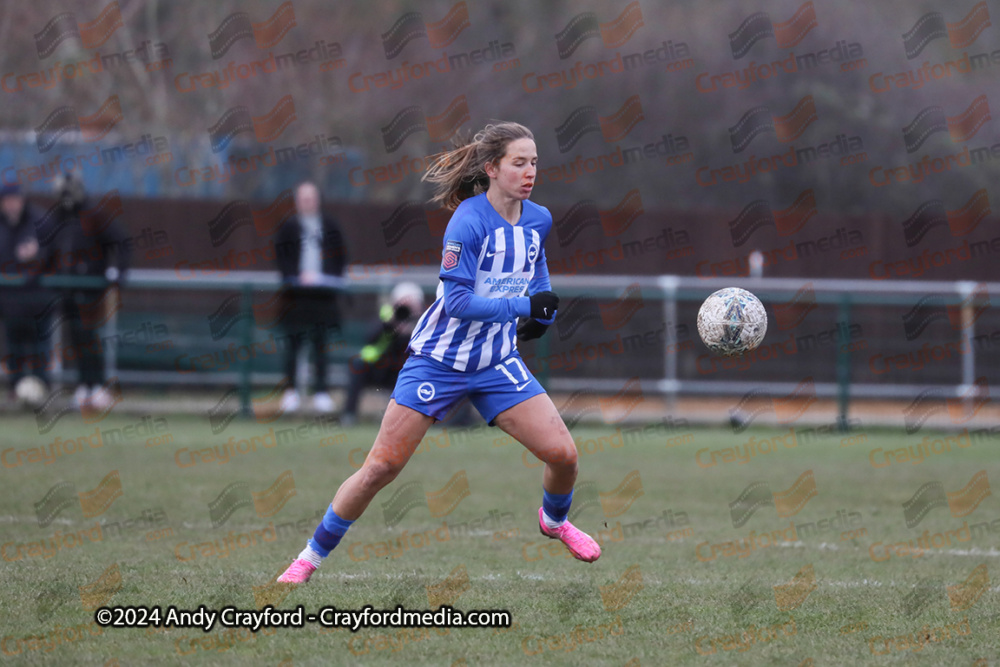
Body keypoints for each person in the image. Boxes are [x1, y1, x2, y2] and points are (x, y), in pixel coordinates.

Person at [276, 122, 600, 584]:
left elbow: (536, 261)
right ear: (491, 168)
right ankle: (307, 559)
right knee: (380, 468)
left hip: (495, 362)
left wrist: (542, 307)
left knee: (564, 456)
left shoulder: (538, 218)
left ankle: (555, 521)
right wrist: (523, 304)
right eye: (519, 163)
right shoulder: (468, 221)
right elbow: (457, 303)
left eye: (534, 163)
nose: (530, 172)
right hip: (439, 361)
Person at [48, 173, 130, 409]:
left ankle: (97, 386)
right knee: (75, 339)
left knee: (89, 337)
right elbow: (49, 250)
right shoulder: (58, 218)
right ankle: (84, 385)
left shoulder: (94, 215)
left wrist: (116, 272)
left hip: (90, 288)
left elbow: (122, 242)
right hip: (66, 290)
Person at [274, 181, 348, 414]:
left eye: (311, 197)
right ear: (297, 201)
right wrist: (296, 276)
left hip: (323, 298)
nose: (307, 202)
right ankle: (291, 392)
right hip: (295, 298)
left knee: (321, 346)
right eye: (303, 198)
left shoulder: (330, 226)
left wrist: (325, 277)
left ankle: (321, 393)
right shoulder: (288, 228)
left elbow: (341, 258)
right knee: (293, 345)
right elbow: (281, 258)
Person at [340, 281, 423, 426]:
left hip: (402, 370)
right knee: (357, 366)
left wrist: (409, 331)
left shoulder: (423, 322)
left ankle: (404, 420)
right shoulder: (386, 315)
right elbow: (370, 337)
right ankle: (349, 414)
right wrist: (392, 326)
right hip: (378, 366)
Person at [0, 183, 53, 400]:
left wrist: (38, 254)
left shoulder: (40, 220)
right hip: (9, 301)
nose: (11, 205)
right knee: (14, 347)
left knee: (40, 347)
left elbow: (56, 252)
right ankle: (16, 390)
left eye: (15, 200)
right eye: (7, 201)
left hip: (38, 299)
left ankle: (42, 391)